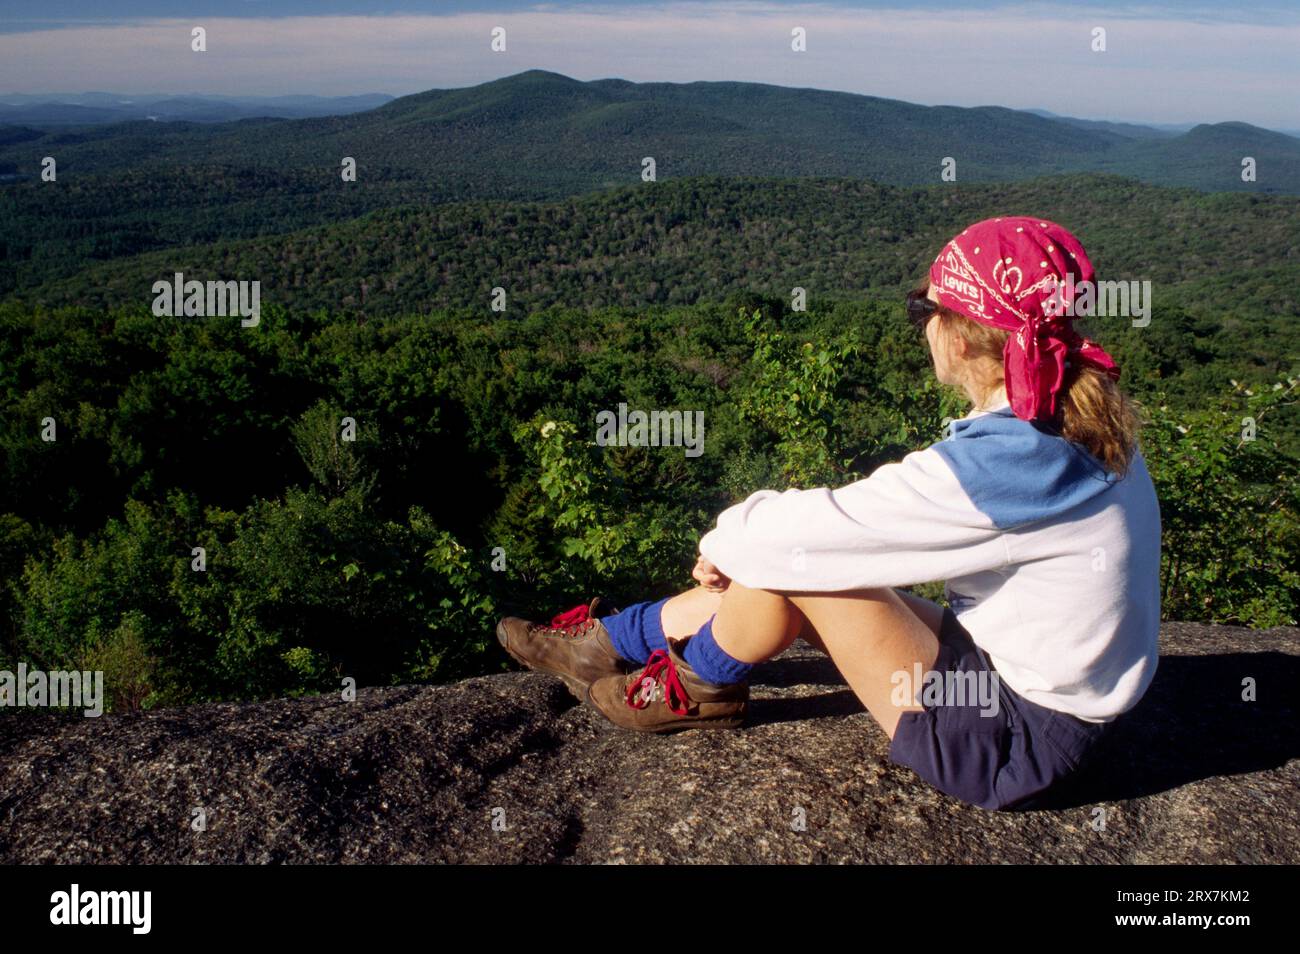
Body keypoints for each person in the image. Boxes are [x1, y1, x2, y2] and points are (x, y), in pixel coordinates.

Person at [496, 216, 1162, 811]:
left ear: (959, 335)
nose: (920, 324)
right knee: (796, 553)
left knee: (795, 559)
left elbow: (805, 533)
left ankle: (695, 688)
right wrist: (749, 546)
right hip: (1030, 687)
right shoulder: (1078, 415)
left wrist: (728, 541)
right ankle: (605, 646)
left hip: (1016, 743)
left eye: (922, 310)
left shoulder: (1010, 460)